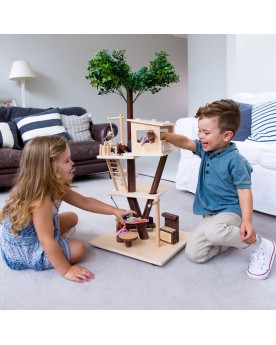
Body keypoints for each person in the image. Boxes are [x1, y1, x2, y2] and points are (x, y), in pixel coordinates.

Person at [161, 99, 275, 280]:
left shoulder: (236, 161)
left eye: (206, 132)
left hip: (230, 210)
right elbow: (185, 141)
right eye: (199, 130)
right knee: (194, 254)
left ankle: (261, 246)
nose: (200, 136)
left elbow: (245, 191)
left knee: (214, 232)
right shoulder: (205, 149)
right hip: (211, 214)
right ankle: (224, 239)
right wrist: (166, 136)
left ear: (227, 136)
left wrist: (247, 221)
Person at [0, 136, 135, 283]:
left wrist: (115, 211)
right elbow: (45, 240)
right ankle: (56, 252)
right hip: (25, 249)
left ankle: (57, 242)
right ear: (48, 168)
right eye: (66, 161)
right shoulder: (41, 200)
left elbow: (85, 202)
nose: (72, 163)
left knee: (72, 217)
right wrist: (66, 270)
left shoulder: (53, 184)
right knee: (78, 249)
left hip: (36, 233)